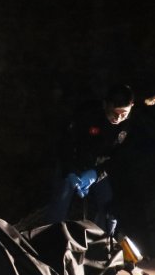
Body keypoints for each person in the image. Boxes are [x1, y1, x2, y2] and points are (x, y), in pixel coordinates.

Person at [44, 85, 137, 232]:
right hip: (75, 162)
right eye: (115, 112)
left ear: (131, 106)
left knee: (110, 208)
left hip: (100, 169)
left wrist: (96, 173)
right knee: (60, 201)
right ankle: (50, 238)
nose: (118, 118)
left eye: (123, 114)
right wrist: (70, 171)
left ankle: (102, 243)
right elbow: (65, 145)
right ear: (106, 104)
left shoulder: (130, 125)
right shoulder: (87, 115)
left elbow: (120, 157)